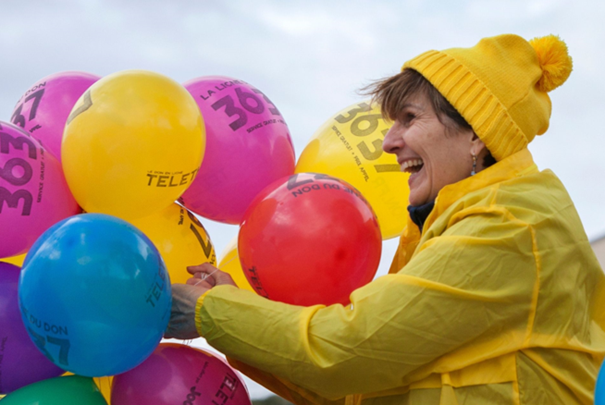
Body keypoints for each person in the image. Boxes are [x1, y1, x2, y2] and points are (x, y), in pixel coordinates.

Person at [165, 34, 605, 405]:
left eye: (409, 119)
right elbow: (361, 388)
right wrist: (225, 317)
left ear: (476, 134)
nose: (388, 143)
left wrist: (211, 311)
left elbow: (348, 352)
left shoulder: (510, 225)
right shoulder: (470, 219)